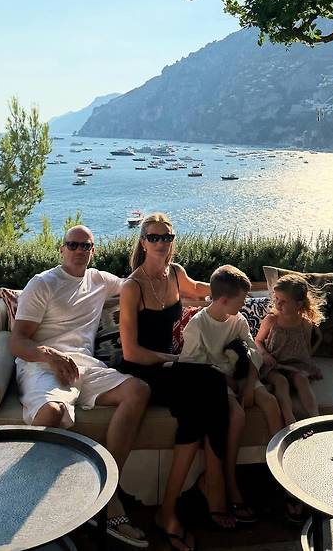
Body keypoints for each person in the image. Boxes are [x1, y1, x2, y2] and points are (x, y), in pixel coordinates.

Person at [11, 225, 150, 548]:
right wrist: (50, 354)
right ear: (61, 249)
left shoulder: (99, 280)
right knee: (53, 410)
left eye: (85, 245)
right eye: (72, 244)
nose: (78, 250)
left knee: (138, 390)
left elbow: (139, 286)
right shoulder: (43, 283)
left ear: (93, 251)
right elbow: (17, 342)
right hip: (41, 364)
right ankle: (29, 503)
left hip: (84, 366)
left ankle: (105, 489)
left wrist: (198, 292)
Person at [119, 213, 235, 551]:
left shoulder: (175, 273)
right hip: (143, 368)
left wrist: (236, 289)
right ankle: (200, 496)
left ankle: (193, 495)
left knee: (212, 388)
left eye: (167, 237)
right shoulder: (132, 287)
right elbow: (130, 351)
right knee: (208, 389)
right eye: (154, 237)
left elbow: (200, 289)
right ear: (142, 242)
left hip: (173, 365)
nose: (161, 243)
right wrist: (174, 359)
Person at [179, 265, 283, 524]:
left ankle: (282, 477)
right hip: (216, 382)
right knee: (236, 415)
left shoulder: (238, 320)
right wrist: (230, 385)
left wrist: (249, 385)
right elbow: (195, 368)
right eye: (242, 299)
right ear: (224, 299)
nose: (244, 303)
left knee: (270, 403)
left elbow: (252, 353)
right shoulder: (197, 326)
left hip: (243, 376)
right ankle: (229, 480)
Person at [255, 272, 326, 424]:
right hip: (273, 365)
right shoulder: (271, 320)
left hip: (295, 365)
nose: (278, 304)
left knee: (302, 379)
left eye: (283, 301)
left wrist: (308, 366)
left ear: (298, 304)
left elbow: (306, 347)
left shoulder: (305, 324)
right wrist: (265, 355)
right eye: (276, 299)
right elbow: (258, 341)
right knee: (281, 382)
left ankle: (316, 418)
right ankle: (289, 418)